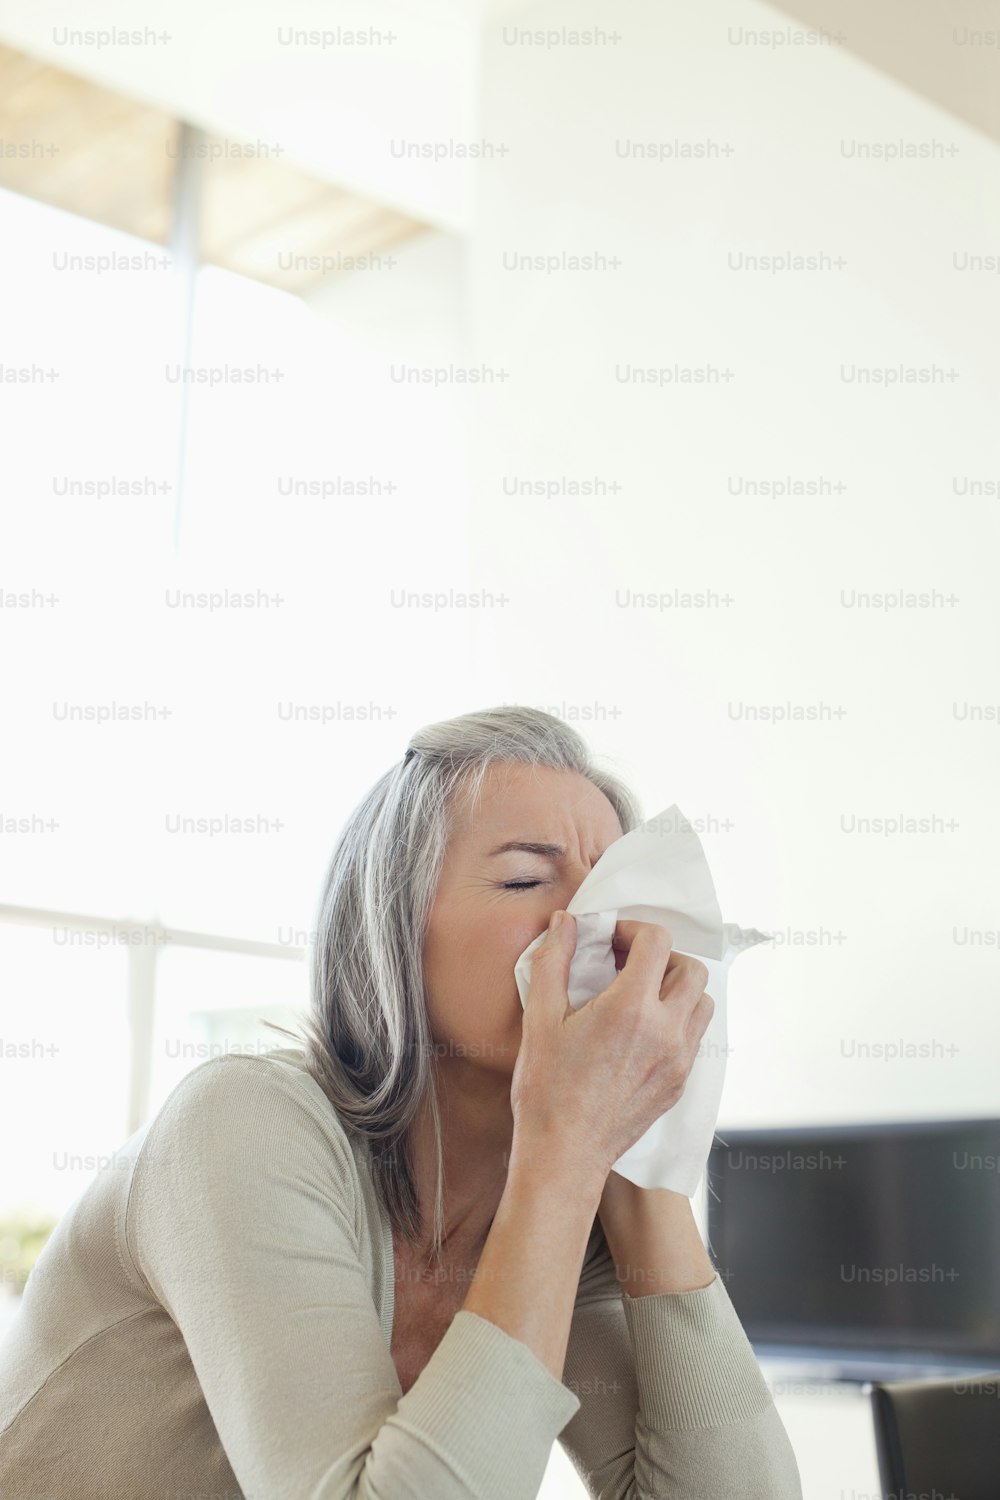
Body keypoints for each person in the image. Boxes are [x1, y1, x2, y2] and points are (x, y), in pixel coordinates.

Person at [0, 705, 803, 1499]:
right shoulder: (242, 1122)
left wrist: (641, 1168)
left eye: (615, 890)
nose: (595, 926)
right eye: (526, 877)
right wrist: (572, 1150)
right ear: (389, 931)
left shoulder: (562, 1194)